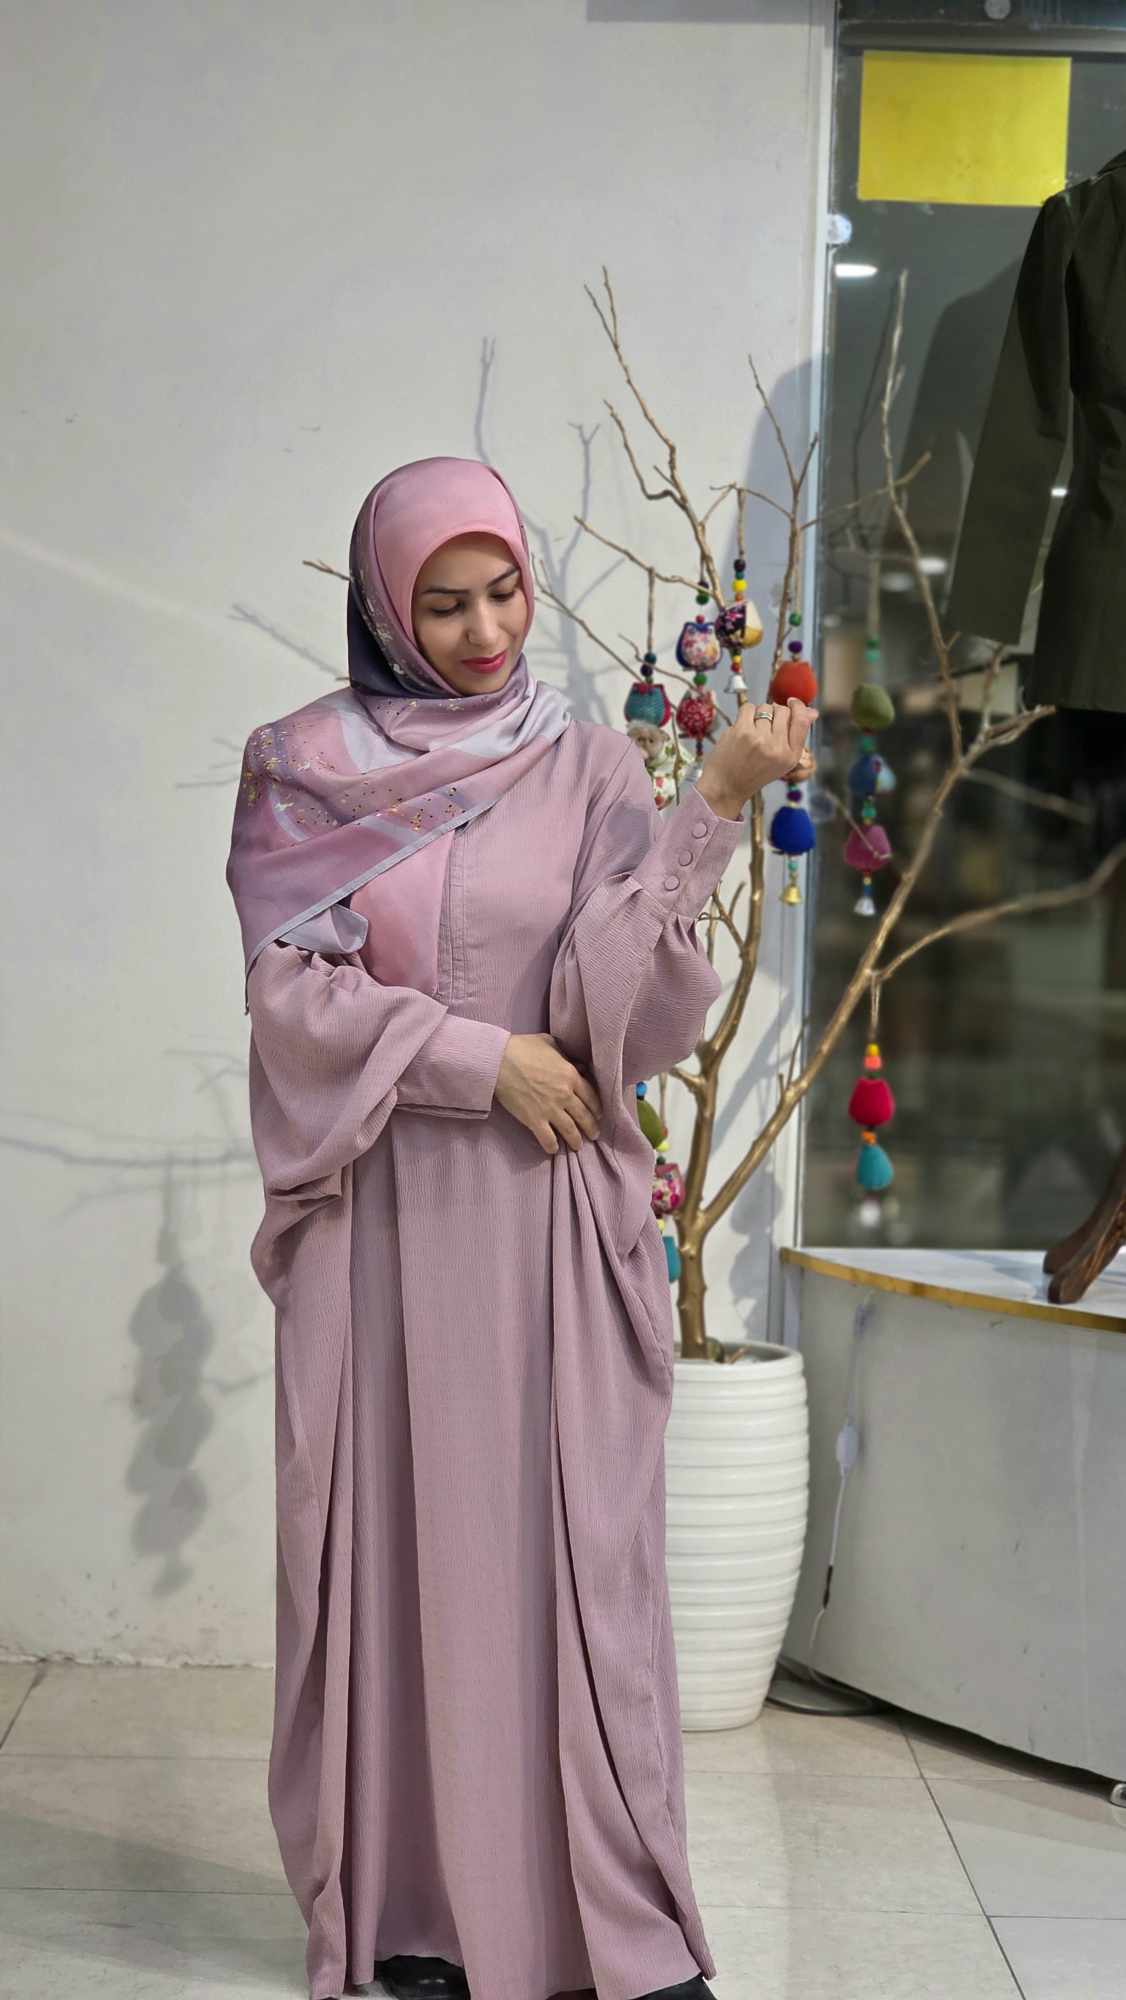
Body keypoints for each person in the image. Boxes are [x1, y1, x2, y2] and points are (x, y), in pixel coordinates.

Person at [226, 456, 815, 2000]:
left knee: (567, 1572)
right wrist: (478, 1060)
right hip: (385, 1221)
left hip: (545, 1224)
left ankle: (609, 1925)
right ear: (384, 609)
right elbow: (292, 997)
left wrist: (709, 803)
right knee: (394, 1564)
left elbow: (621, 1009)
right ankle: (411, 1918)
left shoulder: (584, 766)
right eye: (443, 603)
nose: (485, 630)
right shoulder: (302, 768)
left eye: (502, 593)